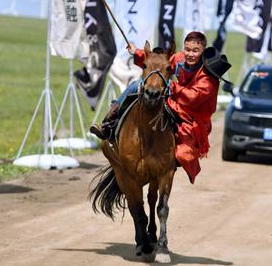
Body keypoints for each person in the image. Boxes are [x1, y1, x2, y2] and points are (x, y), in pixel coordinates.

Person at [91, 31, 220, 184]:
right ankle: (110, 118)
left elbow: (193, 97)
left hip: (192, 117)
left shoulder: (207, 77)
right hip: (176, 100)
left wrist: (169, 85)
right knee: (137, 84)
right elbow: (157, 62)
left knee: (182, 153)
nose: (190, 54)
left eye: (195, 50)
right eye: (187, 49)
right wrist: (136, 52)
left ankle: (168, 164)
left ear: (202, 51)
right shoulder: (180, 58)